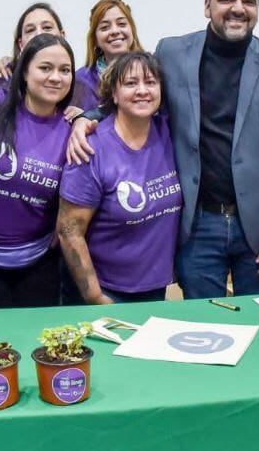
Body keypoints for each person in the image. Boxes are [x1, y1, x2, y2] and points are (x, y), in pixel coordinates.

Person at [68, 0, 259, 299]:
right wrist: (88, 118)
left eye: (248, 1)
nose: (238, 7)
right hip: (197, 226)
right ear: (207, 5)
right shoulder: (172, 52)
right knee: (200, 329)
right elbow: (139, 94)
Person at [0, 33, 74, 308]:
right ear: (24, 72)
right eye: (45, 68)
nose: (55, 77)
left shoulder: (73, 132)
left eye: (64, 70)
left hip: (38, 266)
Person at [58, 51, 183, 303]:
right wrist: (95, 297)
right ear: (113, 94)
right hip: (106, 292)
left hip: (155, 287)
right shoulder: (90, 148)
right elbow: (69, 230)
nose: (142, 90)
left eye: (150, 82)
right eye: (130, 83)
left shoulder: (169, 132)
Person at [0, 2, 66, 108]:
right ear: (21, 44)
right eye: (30, 30)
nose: (39, 34)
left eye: (47, 27)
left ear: (62, 36)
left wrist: (80, 117)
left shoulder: (77, 83)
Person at [74, 0, 143, 112]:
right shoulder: (81, 81)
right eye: (105, 27)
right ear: (95, 38)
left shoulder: (151, 71)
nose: (115, 31)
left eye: (121, 24)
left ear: (132, 30)